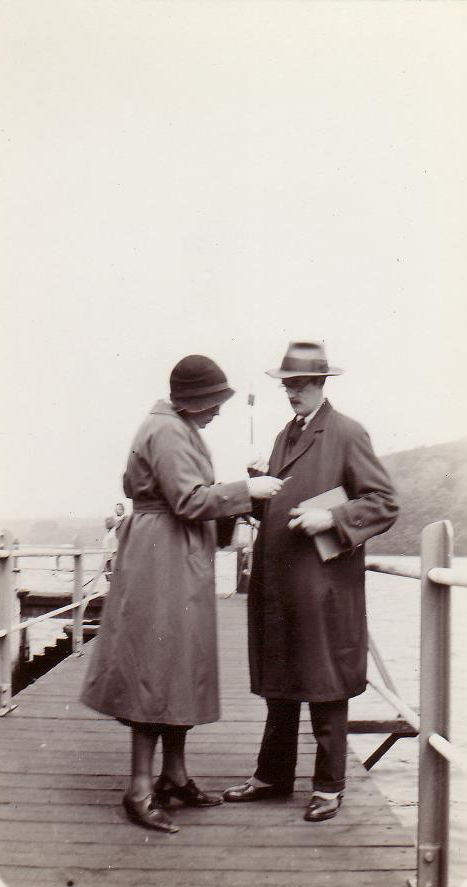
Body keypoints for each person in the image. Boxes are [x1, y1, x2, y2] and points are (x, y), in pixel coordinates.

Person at [81, 355, 284, 833]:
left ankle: (173, 774)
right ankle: (138, 788)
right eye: (213, 402)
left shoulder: (176, 426)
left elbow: (192, 495)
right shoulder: (168, 431)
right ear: (193, 400)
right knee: (156, 667)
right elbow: (189, 500)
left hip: (174, 553)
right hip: (160, 556)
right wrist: (247, 489)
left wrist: (238, 494)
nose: (217, 411)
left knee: (178, 664)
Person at [223, 341, 398, 822]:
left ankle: (328, 786)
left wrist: (333, 519)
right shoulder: (285, 435)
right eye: (286, 384)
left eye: (299, 384)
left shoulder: (347, 433)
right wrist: (258, 489)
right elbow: (280, 500)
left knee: (325, 684)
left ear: (322, 384)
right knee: (280, 683)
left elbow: (383, 502)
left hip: (322, 584)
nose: (291, 392)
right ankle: (272, 776)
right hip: (280, 583)